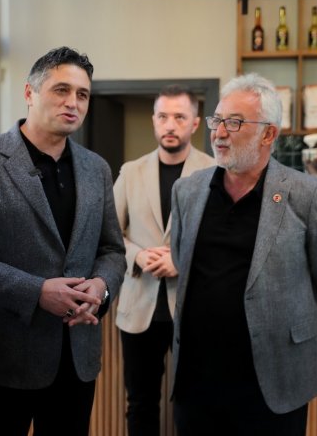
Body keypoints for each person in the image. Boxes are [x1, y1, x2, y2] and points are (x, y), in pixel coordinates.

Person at [0, 46, 126, 436]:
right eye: (61, 90)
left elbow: (112, 249)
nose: (73, 103)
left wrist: (102, 287)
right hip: (4, 356)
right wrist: (36, 292)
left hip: (75, 355)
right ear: (29, 93)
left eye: (82, 94)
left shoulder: (96, 169)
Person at [169, 73, 317, 436]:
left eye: (234, 123)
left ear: (268, 134)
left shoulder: (305, 194)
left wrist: (285, 322)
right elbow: (180, 260)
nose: (219, 133)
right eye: (217, 121)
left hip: (272, 382)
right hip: (197, 381)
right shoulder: (187, 191)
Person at [112, 84, 214, 436]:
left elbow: (223, 239)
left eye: (180, 117)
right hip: (139, 306)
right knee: (140, 403)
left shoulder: (214, 172)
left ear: (195, 123)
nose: (170, 125)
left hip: (194, 307)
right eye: (163, 116)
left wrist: (182, 261)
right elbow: (108, 234)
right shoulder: (131, 172)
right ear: (154, 120)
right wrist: (138, 254)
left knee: (196, 402)